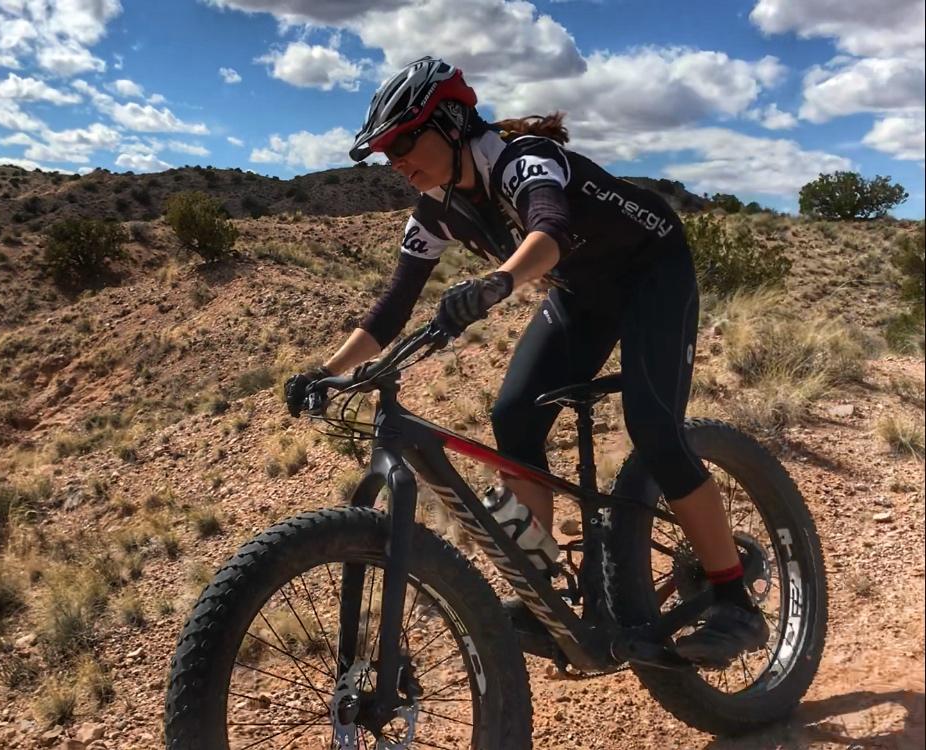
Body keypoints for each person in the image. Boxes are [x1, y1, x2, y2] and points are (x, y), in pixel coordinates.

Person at [283, 56, 766, 668]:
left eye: (405, 140)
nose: (397, 161)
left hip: (651, 273)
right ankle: (547, 594)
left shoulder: (519, 156)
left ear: (454, 122)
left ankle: (733, 598)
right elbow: (392, 306)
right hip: (581, 292)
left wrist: (498, 282)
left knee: (653, 427)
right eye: (386, 151)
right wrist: (329, 371)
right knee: (513, 418)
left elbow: (551, 229)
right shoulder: (436, 205)